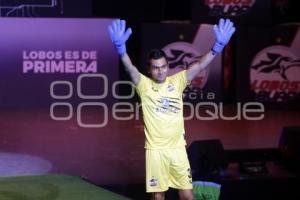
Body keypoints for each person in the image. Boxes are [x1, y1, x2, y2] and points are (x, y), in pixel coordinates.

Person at [108, 18, 235, 200]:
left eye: (163, 67)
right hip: (156, 151)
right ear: (149, 70)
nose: (160, 71)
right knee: (158, 197)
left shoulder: (178, 81)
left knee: (188, 196)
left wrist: (218, 46)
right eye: (156, 68)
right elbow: (130, 68)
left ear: (168, 66)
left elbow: (199, 65)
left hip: (178, 150)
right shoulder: (143, 84)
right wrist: (121, 50)